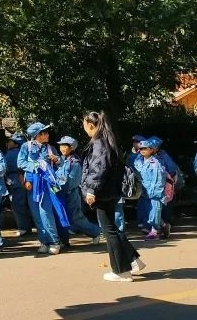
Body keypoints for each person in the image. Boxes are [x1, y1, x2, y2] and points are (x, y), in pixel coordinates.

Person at [79, 110, 144, 282]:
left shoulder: (99, 142)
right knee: (112, 228)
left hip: (102, 191)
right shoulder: (106, 139)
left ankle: (121, 271)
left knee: (109, 231)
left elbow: (98, 168)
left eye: (84, 123)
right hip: (110, 191)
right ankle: (133, 260)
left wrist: (91, 190)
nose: (83, 127)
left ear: (90, 124)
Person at [17, 122, 63, 254]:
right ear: (38, 135)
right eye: (44, 133)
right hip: (32, 184)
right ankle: (44, 241)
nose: (47, 135)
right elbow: (20, 163)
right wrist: (35, 167)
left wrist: (57, 160)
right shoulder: (26, 146)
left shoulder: (50, 148)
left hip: (47, 184)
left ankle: (55, 241)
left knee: (46, 212)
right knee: (36, 213)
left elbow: (60, 164)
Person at [54, 135, 102, 243]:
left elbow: (71, 182)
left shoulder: (74, 163)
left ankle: (95, 232)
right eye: (61, 146)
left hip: (71, 194)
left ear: (71, 147)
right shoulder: (61, 160)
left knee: (76, 218)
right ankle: (63, 241)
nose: (62, 148)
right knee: (62, 217)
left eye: (64, 146)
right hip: (60, 193)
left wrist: (58, 186)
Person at [134, 139, 167, 240]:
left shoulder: (156, 162)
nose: (142, 150)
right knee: (148, 212)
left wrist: (156, 192)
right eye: (140, 148)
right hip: (144, 192)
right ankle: (165, 226)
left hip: (154, 192)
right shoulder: (139, 161)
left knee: (154, 212)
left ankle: (155, 231)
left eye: (145, 148)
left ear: (151, 150)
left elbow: (159, 179)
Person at [4, 133, 34, 236]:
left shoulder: (13, 153)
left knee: (18, 205)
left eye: (10, 141)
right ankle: (27, 227)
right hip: (19, 181)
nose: (8, 143)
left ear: (16, 144)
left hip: (16, 182)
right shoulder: (23, 152)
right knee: (24, 205)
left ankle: (23, 227)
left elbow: (4, 168)